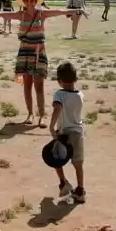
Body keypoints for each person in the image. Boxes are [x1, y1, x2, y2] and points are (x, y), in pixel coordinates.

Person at [0, 0, 82, 127]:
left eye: (32, 0)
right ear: (24, 2)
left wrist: (76, 11)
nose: (30, 2)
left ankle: (42, 115)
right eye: (27, 0)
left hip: (39, 52)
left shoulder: (41, 14)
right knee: (27, 85)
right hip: (25, 52)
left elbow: (60, 12)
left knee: (39, 85)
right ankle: (30, 114)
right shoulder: (21, 15)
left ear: (36, 1)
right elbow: (2, 14)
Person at [49, 61, 86, 204]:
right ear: (76, 79)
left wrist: (52, 126)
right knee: (78, 162)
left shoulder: (59, 94)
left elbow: (57, 108)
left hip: (64, 132)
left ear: (59, 81)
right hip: (77, 132)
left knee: (55, 157)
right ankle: (80, 191)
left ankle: (63, 182)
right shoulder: (80, 95)